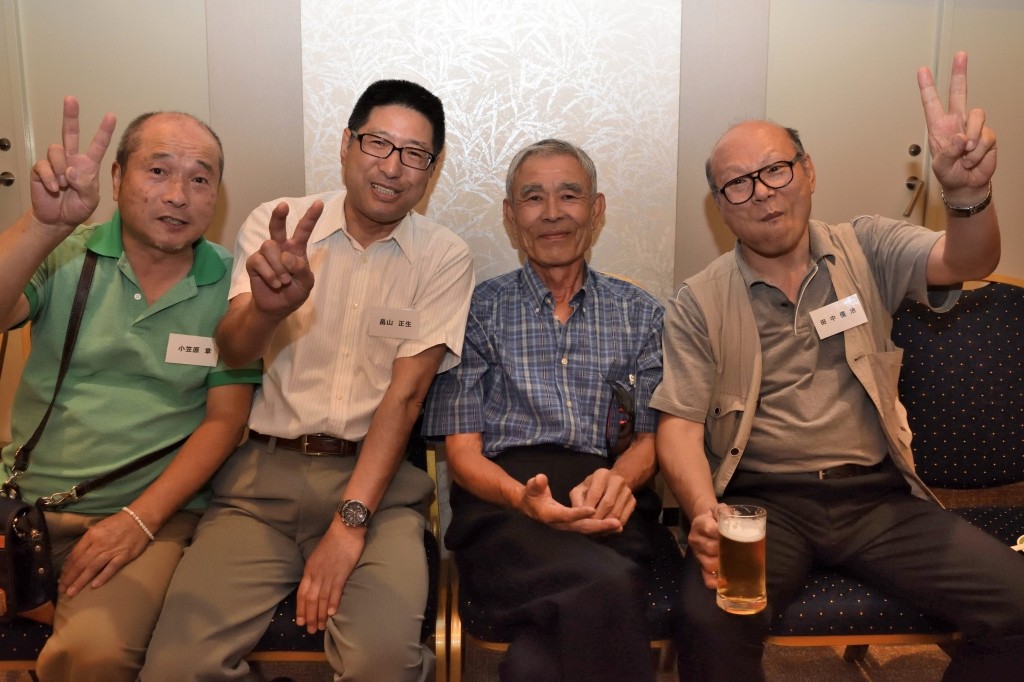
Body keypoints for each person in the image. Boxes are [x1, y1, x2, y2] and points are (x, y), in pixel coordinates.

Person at [652, 52, 1024, 681]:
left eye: (775, 170)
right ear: (720, 205)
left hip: (876, 498)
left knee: (1018, 605)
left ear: (808, 171)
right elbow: (680, 428)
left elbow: (968, 261)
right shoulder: (700, 299)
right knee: (710, 621)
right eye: (738, 184)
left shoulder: (868, 246)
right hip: (762, 505)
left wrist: (965, 197)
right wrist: (704, 511)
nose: (762, 194)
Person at [141, 79, 474, 681]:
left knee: (381, 664)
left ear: (432, 169)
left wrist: (349, 524)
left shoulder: (443, 256)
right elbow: (234, 350)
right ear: (346, 144)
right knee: (176, 667)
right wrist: (268, 310)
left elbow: (406, 398)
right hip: (259, 488)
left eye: (414, 154)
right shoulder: (278, 225)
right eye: (377, 143)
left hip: (376, 490)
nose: (392, 167)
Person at [0, 97, 259, 682]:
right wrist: (41, 227)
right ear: (116, 179)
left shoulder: (232, 283)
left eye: (200, 179)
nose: (178, 195)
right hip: (23, 505)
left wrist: (139, 520)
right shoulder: (66, 252)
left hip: (145, 515)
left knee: (94, 655)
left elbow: (225, 421)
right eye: (158, 170)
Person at [423, 139, 682, 682]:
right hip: (503, 506)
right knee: (606, 583)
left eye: (569, 195)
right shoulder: (476, 312)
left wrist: (618, 482)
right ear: (510, 215)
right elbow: (462, 455)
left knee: (536, 663)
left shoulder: (641, 314)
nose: (552, 213)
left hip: (606, 498)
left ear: (597, 209)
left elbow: (650, 439)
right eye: (533, 197)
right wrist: (523, 499)